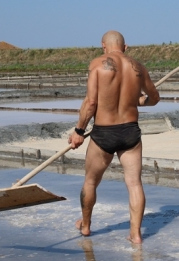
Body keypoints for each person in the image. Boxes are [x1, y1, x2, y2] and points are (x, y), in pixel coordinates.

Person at [68, 30, 159, 244]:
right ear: (125, 47)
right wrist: (138, 100)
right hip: (130, 132)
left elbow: (91, 103)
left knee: (90, 182)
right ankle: (135, 234)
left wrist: (79, 131)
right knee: (134, 184)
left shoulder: (97, 64)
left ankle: (86, 226)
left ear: (103, 46)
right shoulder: (138, 67)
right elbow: (154, 98)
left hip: (103, 133)